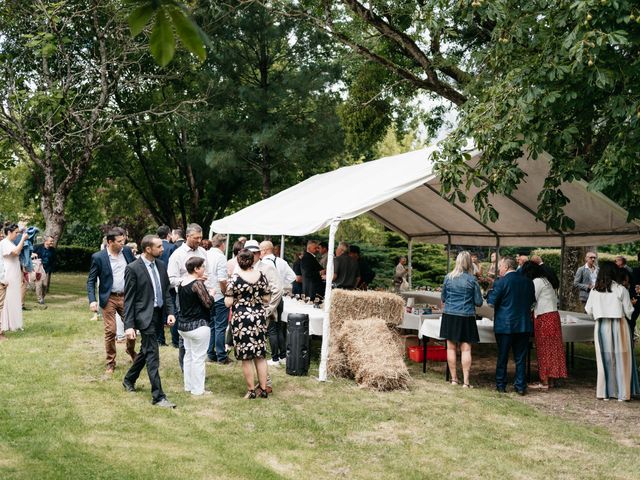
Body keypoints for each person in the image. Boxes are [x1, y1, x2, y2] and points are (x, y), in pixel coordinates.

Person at [122, 235, 177, 408]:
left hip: (159, 314)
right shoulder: (133, 268)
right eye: (159, 246)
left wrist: (170, 312)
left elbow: (167, 291)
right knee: (153, 354)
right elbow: (129, 300)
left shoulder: (161, 265)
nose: (163, 249)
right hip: (143, 316)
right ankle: (158, 396)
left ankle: (129, 379)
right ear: (148, 249)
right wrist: (129, 325)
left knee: (146, 350)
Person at [585, 261, 640, 401]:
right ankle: (622, 393)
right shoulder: (621, 289)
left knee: (605, 360)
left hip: (602, 325)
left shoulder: (594, 290)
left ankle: (605, 393)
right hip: (619, 325)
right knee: (622, 359)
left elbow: (588, 310)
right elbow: (629, 311)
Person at [87, 228, 138, 374]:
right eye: (120, 241)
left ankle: (130, 350)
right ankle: (110, 361)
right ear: (110, 242)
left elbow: (136, 268)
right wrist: (92, 300)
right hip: (108, 297)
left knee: (131, 328)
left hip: (127, 296)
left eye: (124, 241)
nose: (123, 244)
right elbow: (90, 281)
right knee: (111, 331)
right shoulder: (98, 257)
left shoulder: (127, 252)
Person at [225, 249, 271, 399]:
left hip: (242, 318)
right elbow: (266, 299)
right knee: (260, 355)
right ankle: (263, 389)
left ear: (238, 261)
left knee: (246, 356)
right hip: (258, 317)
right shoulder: (261, 276)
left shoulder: (235, 278)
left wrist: (239, 299)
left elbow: (228, 302)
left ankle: (251, 391)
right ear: (253, 260)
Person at [487, 256, 536, 395]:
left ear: (507, 267)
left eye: (500, 266)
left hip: (505, 325)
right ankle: (520, 386)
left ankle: (501, 385)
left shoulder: (501, 282)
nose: (499, 269)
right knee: (520, 357)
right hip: (523, 324)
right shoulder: (528, 282)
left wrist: (490, 293)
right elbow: (532, 301)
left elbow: (491, 302)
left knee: (503, 356)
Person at [440, 251, 483, 388]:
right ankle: (466, 382)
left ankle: (453, 379)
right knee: (466, 349)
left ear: (457, 262)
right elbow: (478, 302)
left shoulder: (448, 278)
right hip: (466, 316)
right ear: (469, 263)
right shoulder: (472, 280)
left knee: (451, 348)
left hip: (450, 315)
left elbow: (443, 298)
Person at [521, 261, 567, 389]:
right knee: (552, 349)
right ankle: (550, 379)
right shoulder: (547, 281)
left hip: (544, 317)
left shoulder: (537, 282)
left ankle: (544, 382)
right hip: (553, 316)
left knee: (543, 349)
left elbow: (530, 298)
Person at [167, 223, 208, 368]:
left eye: (201, 238)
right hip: (185, 297)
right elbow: (171, 279)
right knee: (185, 332)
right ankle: (185, 367)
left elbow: (207, 272)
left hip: (202, 296)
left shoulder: (203, 252)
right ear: (187, 236)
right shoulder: (177, 255)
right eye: (196, 238)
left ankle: (197, 365)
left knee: (200, 330)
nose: (199, 241)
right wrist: (191, 281)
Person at [178, 257, 213, 396]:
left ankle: (189, 385)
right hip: (198, 325)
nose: (204, 269)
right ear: (196, 269)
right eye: (202, 267)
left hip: (184, 325)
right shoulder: (197, 284)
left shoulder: (182, 283)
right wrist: (211, 294)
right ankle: (198, 390)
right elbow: (208, 303)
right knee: (198, 358)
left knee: (188, 356)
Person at [260, 240, 296, 367]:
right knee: (280, 327)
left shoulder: (262, 263)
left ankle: (275, 359)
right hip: (280, 298)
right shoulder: (282, 261)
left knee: (271, 329)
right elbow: (292, 277)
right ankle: (282, 356)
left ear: (264, 250)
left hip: (269, 298)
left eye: (260, 250)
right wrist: (282, 285)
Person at [206, 233, 232, 365]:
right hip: (219, 296)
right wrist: (225, 292)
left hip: (207, 295)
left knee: (211, 326)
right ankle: (221, 356)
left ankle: (210, 353)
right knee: (220, 326)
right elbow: (222, 279)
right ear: (222, 244)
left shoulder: (205, 254)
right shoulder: (220, 257)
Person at [0, 224, 28, 333]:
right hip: (8, 274)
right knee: (8, 299)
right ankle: (5, 324)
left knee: (14, 298)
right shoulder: (4, 243)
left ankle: (13, 323)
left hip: (14, 272)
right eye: (16, 233)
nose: (17, 235)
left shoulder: (10, 243)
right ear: (9, 232)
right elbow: (16, 252)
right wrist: (23, 240)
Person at [32, 235, 57, 306]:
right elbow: (31, 253)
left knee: (45, 285)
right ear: (46, 241)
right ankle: (40, 299)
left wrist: (51, 268)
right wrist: (33, 255)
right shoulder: (37, 247)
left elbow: (54, 260)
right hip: (38, 269)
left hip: (47, 269)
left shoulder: (53, 250)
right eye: (51, 241)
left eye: (52, 241)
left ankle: (42, 297)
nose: (52, 242)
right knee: (39, 284)